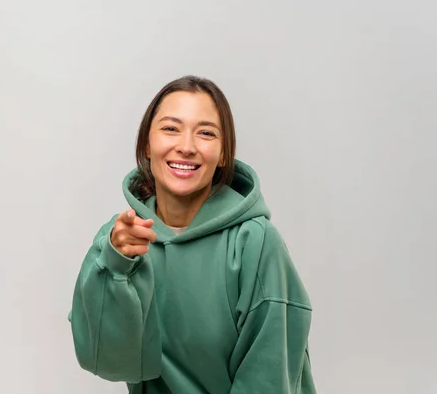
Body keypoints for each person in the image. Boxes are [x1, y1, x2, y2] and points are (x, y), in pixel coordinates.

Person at [68, 75, 317, 393]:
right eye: (171, 128)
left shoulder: (254, 243)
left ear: (224, 153)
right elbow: (109, 362)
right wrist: (115, 268)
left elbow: (267, 378)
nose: (186, 147)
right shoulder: (121, 241)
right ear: (147, 142)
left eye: (206, 133)